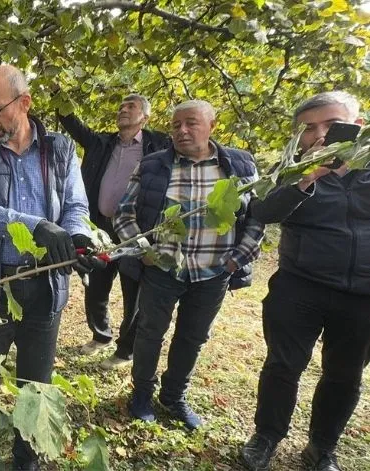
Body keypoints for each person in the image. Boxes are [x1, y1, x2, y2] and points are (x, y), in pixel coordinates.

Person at [0, 64, 102, 471]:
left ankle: (28, 463)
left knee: (35, 387)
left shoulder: (60, 149)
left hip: (45, 288)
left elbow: (76, 205)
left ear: (24, 103)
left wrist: (76, 237)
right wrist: (38, 226)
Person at [114, 99, 263, 430]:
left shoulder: (240, 165)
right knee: (150, 333)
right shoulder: (153, 165)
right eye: (175, 125)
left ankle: (173, 395)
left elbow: (257, 220)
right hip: (163, 271)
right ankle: (142, 394)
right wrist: (144, 251)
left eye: (191, 123)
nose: (181, 131)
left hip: (213, 273)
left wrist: (235, 262)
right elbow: (124, 214)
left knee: (193, 336)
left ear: (212, 125)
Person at [240, 91, 369, 471]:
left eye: (331, 124)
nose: (320, 134)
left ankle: (321, 447)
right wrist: (308, 176)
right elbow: (262, 210)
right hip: (300, 286)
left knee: (344, 376)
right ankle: (266, 436)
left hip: (362, 296)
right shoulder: (290, 171)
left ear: (356, 126)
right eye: (310, 128)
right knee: (283, 365)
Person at [58, 93, 171, 369]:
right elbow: (73, 124)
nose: (123, 110)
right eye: (120, 106)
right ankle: (101, 335)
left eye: (130, 107)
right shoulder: (102, 143)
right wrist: (58, 93)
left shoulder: (160, 145)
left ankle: (125, 350)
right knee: (96, 285)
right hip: (100, 228)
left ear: (145, 116)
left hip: (135, 231)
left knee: (133, 291)